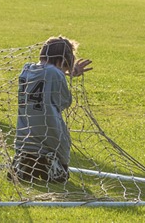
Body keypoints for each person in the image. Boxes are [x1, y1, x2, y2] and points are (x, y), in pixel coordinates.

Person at [12, 36, 92, 183]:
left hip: (25, 134)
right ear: (62, 60)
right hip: (49, 132)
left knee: (29, 150)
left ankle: (23, 163)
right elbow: (64, 101)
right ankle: (52, 164)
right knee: (63, 157)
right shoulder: (55, 74)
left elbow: (47, 75)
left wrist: (67, 73)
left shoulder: (26, 70)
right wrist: (65, 75)